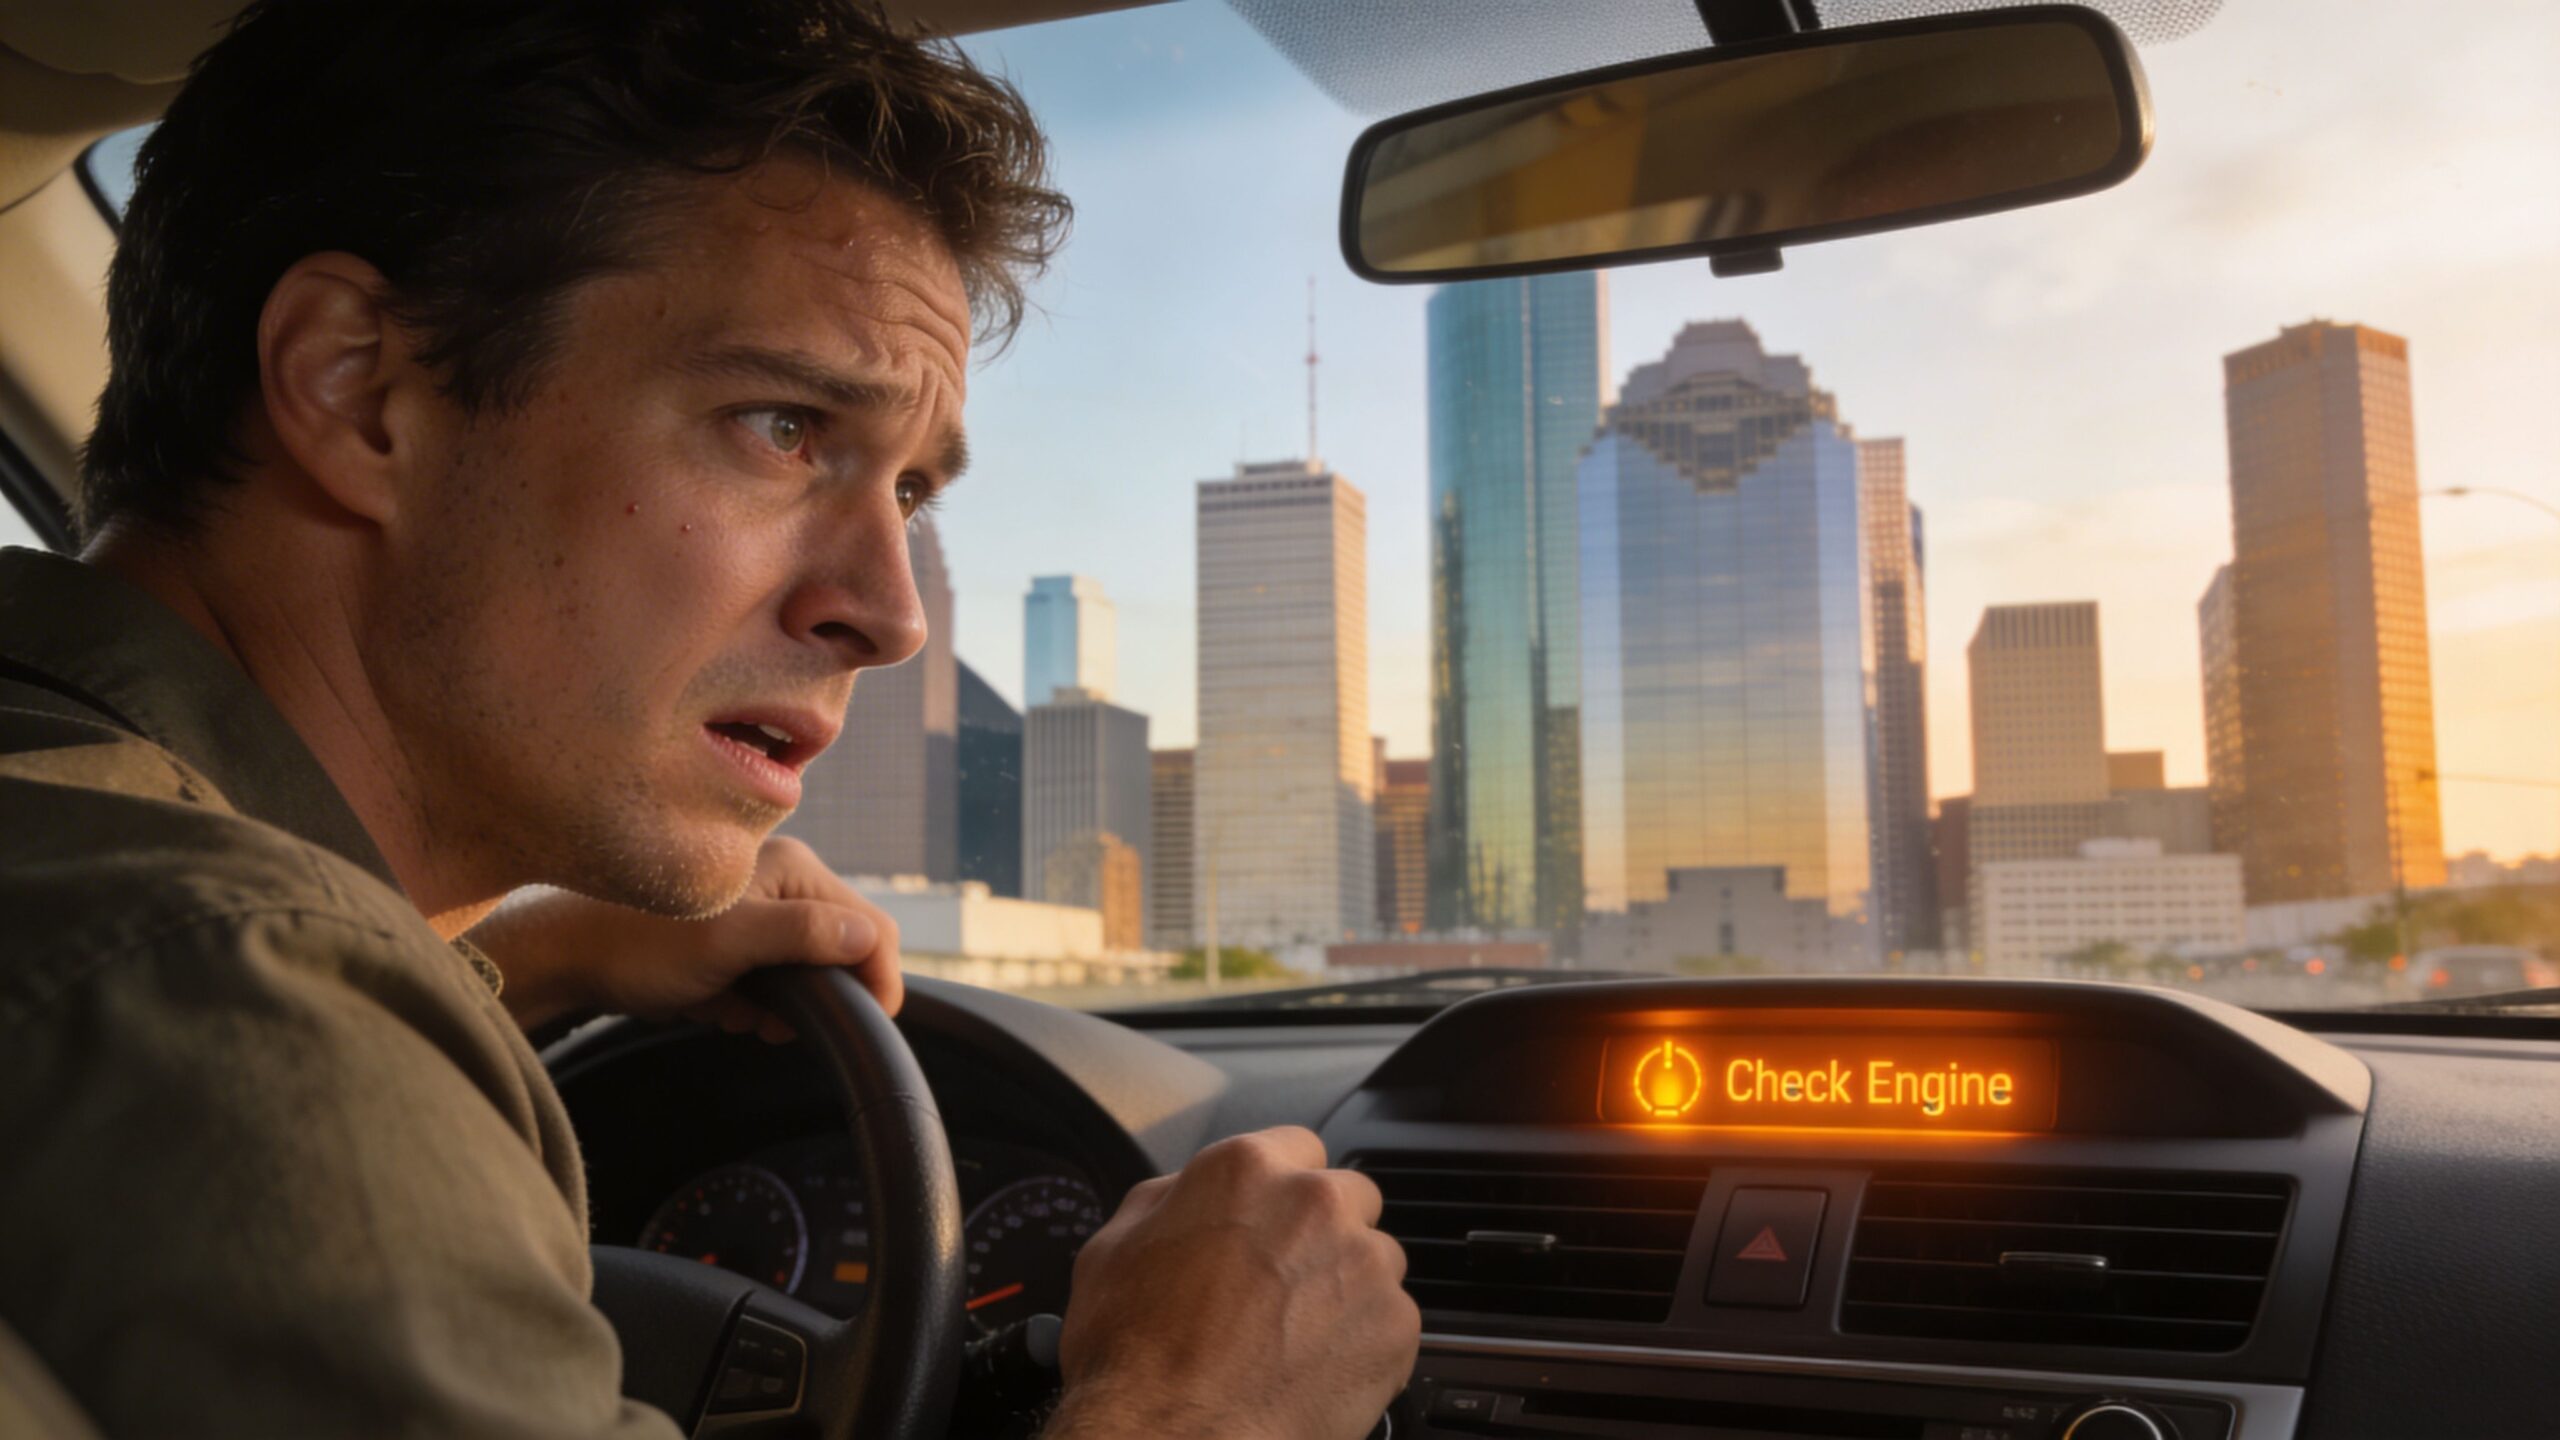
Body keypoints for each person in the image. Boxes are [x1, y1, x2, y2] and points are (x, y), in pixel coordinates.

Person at [0, 2, 1420, 1436]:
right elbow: (235, 993)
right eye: (784, 427)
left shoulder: (90, 844)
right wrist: (1197, 1404)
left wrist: (504, 958)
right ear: (358, 390)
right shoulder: (243, 998)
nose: (890, 611)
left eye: (910, 492)